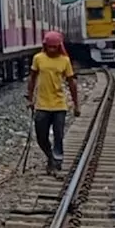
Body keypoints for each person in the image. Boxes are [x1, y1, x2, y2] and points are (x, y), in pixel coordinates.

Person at [25, 30, 80, 175]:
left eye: (55, 47)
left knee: (58, 134)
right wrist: (30, 98)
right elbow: (32, 78)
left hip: (59, 104)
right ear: (45, 46)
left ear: (59, 46)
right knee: (41, 136)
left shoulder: (65, 60)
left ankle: (57, 159)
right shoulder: (38, 59)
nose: (52, 49)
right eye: (49, 47)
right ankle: (50, 156)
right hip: (41, 104)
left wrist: (76, 104)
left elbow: (71, 83)